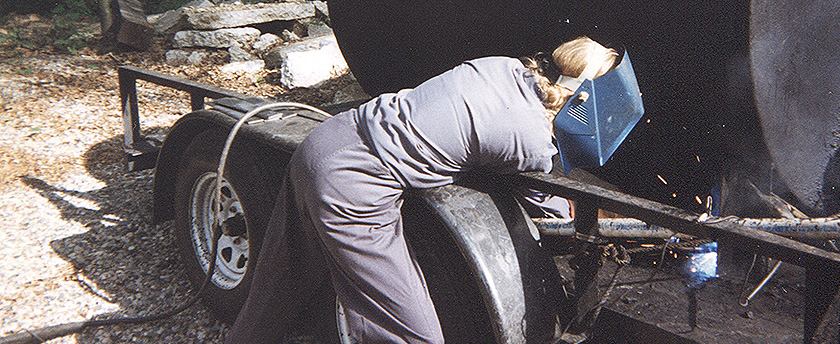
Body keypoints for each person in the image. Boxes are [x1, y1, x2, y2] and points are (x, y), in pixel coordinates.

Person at [225, 36, 619, 344]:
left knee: (282, 275)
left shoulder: (501, 66)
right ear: (581, 97)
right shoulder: (532, 139)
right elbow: (552, 215)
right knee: (410, 333)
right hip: (352, 185)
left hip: (326, 140)